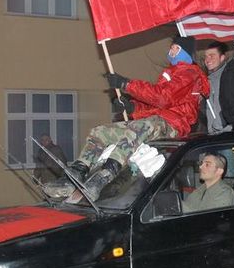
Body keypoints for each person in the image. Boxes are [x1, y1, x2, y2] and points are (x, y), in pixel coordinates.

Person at [43, 36, 210, 201]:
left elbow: (162, 98)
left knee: (136, 130)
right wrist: (132, 107)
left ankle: (103, 176)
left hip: (174, 124)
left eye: (176, 48)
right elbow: (157, 105)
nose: (171, 51)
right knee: (100, 132)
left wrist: (126, 84)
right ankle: (75, 174)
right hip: (156, 120)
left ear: (186, 53)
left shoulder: (189, 73)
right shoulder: (171, 73)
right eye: (172, 47)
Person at [204, 41, 232, 135]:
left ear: (222, 57)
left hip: (225, 132)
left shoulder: (227, 77)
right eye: (206, 56)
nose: (207, 60)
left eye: (212, 56)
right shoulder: (210, 79)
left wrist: (220, 127)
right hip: (215, 133)